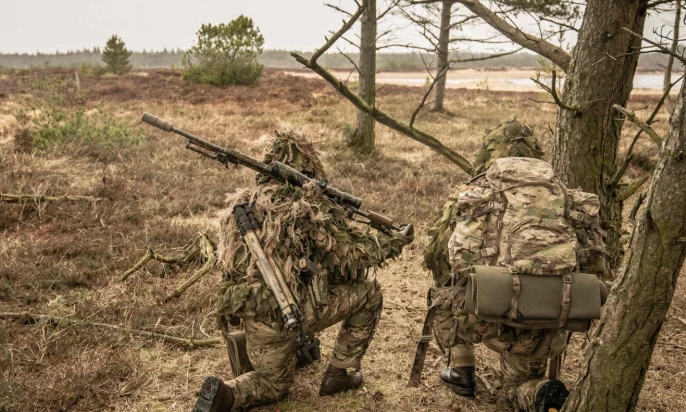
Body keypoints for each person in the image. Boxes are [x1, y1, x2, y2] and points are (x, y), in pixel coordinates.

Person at [192, 129, 414, 412]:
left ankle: (228, 394)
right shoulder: (305, 208)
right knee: (369, 293)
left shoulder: (241, 205)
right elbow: (352, 257)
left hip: (252, 320)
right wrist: (394, 240)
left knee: (266, 380)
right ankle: (340, 374)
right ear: (307, 168)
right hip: (286, 316)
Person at [423, 119, 607, 411]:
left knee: (442, 294)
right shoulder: (567, 197)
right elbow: (595, 264)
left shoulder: (478, 195)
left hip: (487, 318)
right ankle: (538, 393)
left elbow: (449, 262)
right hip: (549, 318)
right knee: (515, 390)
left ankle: (462, 369)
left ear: (487, 156)